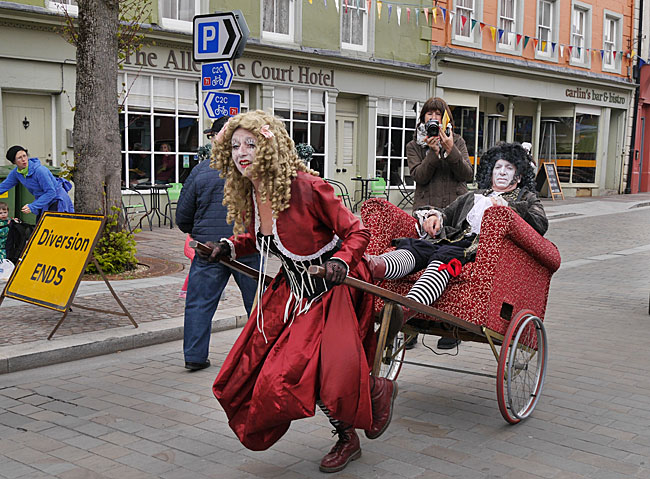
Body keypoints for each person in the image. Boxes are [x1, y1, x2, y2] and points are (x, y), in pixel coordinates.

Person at [203, 110, 397, 473]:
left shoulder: (306, 186)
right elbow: (267, 238)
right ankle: (372, 392)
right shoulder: (255, 188)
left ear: (269, 146)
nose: (241, 152)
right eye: (234, 146)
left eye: (250, 143)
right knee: (251, 369)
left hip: (333, 288)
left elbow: (357, 231)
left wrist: (340, 260)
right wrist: (230, 246)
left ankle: (347, 436)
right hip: (291, 291)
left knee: (315, 374)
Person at [367, 143, 547, 345]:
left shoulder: (525, 198)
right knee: (417, 246)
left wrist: (510, 209)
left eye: (509, 168)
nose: (502, 172)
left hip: (476, 249)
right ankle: (372, 267)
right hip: (451, 239)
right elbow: (448, 212)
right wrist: (436, 217)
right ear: (490, 172)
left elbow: (540, 224)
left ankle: (407, 309)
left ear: (519, 175)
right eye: (498, 167)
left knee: (445, 257)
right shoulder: (474, 195)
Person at [176, 117, 261, 371]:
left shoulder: (201, 171)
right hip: (245, 245)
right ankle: (262, 354)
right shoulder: (252, 168)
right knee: (257, 303)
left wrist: (197, 232)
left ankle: (194, 355)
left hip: (208, 247)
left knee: (199, 303)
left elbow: (183, 216)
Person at [406, 97, 473, 349]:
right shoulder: (415, 145)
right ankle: (410, 325)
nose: (433, 118)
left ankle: (451, 326)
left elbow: (467, 174)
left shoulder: (458, 142)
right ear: (423, 118)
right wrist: (433, 153)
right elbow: (419, 176)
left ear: (446, 119)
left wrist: (450, 148)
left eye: (438, 113)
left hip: (454, 215)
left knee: (450, 267)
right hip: (424, 213)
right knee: (419, 265)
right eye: (428, 114)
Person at [0, 146, 73, 220]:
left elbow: (51, 192)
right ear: (14, 162)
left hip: (57, 200)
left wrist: (32, 206)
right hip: (43, 201)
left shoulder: (40, 171)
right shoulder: (16, 173)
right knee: (38, 229)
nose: (24, 160)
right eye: (19, 158)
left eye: (24, 156)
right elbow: (3, 186)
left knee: (50, 228)